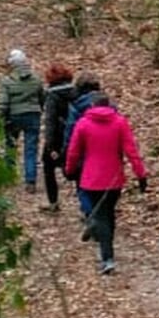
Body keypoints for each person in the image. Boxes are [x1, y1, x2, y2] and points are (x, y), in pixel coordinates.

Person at [63, 93, 147, 275]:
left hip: (91, 178)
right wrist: (141, 174)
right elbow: (131, 150)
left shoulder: (83, 123)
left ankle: (107, 257)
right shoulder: (120, 122)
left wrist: (69, 169)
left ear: (92, 105)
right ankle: (107, 252)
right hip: (113, 178)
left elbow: (74, 150)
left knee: (101, 215)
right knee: (108, 213)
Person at [0, 50, 44, 193]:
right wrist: (39, 109)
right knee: (31, 149)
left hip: (14, 117)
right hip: (33, 116)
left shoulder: (7, 81)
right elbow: (42, 98)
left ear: (12, 64)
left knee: (10, 146)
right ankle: (30, 181)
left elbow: (3, 103)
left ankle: (8, 177)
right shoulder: (36, 79)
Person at [64, 72, 103, 216]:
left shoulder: (76, 106)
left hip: (83, 153)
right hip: (105, 152)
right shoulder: (108, 105)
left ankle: (89, 213)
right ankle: (99, 213)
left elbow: (70, 132)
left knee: (82, 185)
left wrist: (66, 152)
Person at [39, 64, 77, 211]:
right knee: (77, 169)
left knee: (48, 169)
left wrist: (50, 145)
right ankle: (85, 206)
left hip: (57, 138)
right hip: (76, 135)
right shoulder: (76, 92)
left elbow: (50, 121)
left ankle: (53, 202)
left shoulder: (52, 96)